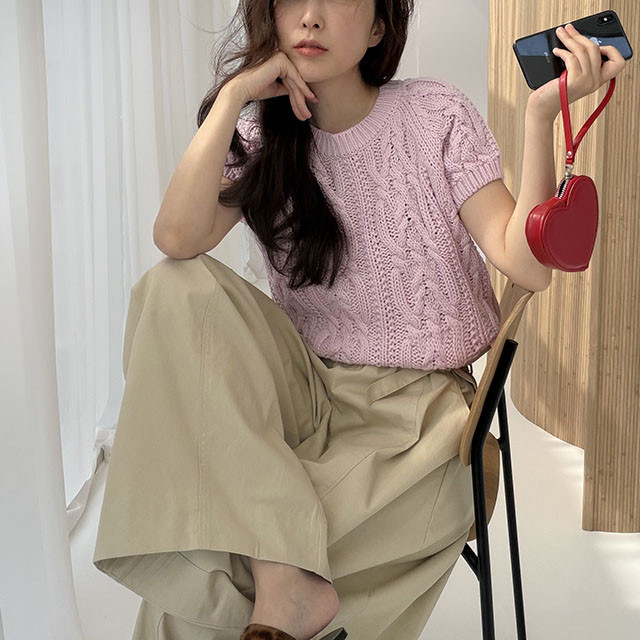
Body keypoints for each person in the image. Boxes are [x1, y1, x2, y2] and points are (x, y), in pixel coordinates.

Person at [92, 1, 497, 639]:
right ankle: (285, 577)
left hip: (416, 411)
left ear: (379, 26)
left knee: (219, 548)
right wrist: (233, 98)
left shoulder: (434, 115)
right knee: (172, 286)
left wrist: (542, 119)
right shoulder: (263, 135)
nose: (309, 17)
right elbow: (175, 238)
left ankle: (277, 579)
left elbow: (523, 259)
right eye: (290, 1)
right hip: (307, 388)